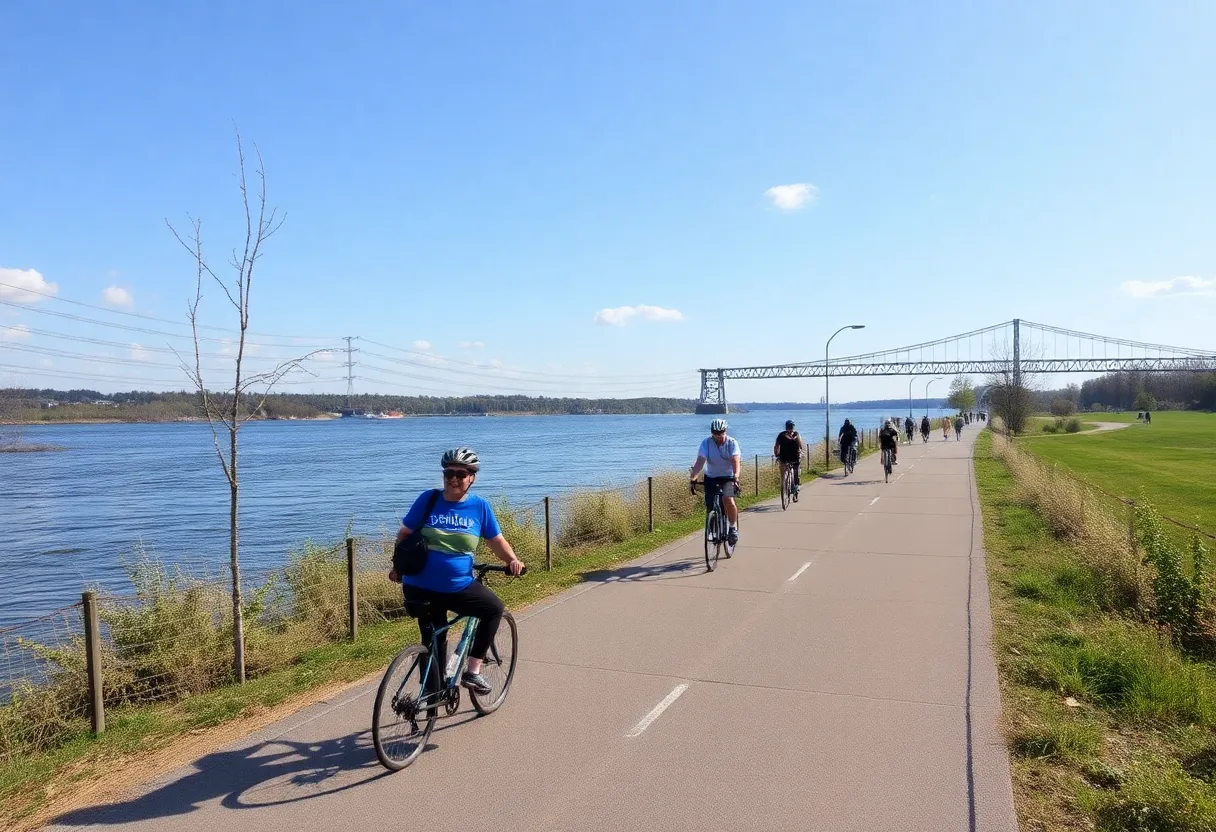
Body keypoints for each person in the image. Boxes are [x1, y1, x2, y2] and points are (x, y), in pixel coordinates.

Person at [388, 447, 524, 696]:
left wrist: (512, 559)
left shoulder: (479, 507)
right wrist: (397, 566)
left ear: (472, 477)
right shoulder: (428, 499)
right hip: (443, 587)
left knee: (435, 637)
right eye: (448, 473)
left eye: (460, 474)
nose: (453, 478)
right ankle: (473, 672)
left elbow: (496, 541)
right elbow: (404, 535)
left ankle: (431, 696)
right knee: (494, 609)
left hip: (422, 586)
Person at [690, 418, 741, 545]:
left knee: (728, 499)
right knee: (710, 505)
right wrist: (694, 476)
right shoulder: (706, 443)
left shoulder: (732, 443)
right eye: (715, 432)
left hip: (728, 477)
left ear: (725, 431)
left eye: (721, 432)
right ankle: (712, 530)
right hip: (711, 477)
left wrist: (736, 476)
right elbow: (700, 461)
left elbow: (735, 461)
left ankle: (732, 528)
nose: (718, 435)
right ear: (711, 432)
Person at [773, 420, 803, 499]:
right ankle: (796, 485)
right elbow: (801, 446)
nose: (790, 428)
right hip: (793, 457)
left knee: (790, 470)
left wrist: (776, 454)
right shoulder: (796, 434)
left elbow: (776, 446)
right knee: (796, 470)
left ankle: (791, 485)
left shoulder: (781, 435)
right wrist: (801, 452)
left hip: (785, 457)